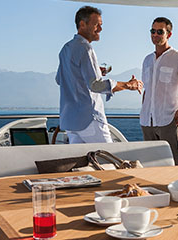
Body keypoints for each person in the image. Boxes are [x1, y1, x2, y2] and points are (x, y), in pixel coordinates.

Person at [57, 5, 143, 143]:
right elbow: (96, 86)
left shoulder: (66, 49)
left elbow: (60, 79)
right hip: (89, 120)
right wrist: (128, 85)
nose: (100, 29)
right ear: (82, 24)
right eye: (97, 25)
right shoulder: (86, 48)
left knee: (81, 157)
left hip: (71, 122)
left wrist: (92, 70)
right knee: (109, 155)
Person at [140, 17, 178, 165]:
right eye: (153, 31)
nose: (155, 35)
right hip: (147, 121)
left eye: (160, 32)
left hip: (168, 119)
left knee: (173, 162)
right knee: (150, 164)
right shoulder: (147, 60)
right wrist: (143, 109)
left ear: (169, 34)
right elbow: (147, 89)